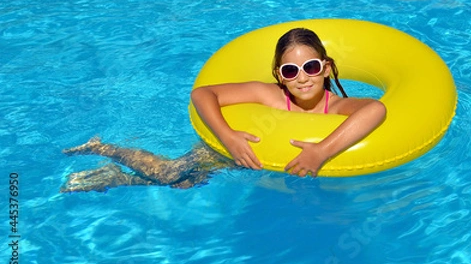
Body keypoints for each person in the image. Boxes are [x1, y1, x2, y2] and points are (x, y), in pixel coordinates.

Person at [62, 28, 386, 193]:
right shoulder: (270, 96)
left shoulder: (338, 107)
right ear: (279, 75)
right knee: (170, 174)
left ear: (326, 68)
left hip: (254, 167)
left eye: (311, 67)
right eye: (290, 71)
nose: (302, 77)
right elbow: (203, 94)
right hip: (226, 153)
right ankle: (102, 147)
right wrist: (228, 137)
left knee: (184, 187)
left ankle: (117, 178)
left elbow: (375, 109)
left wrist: (321, 152)